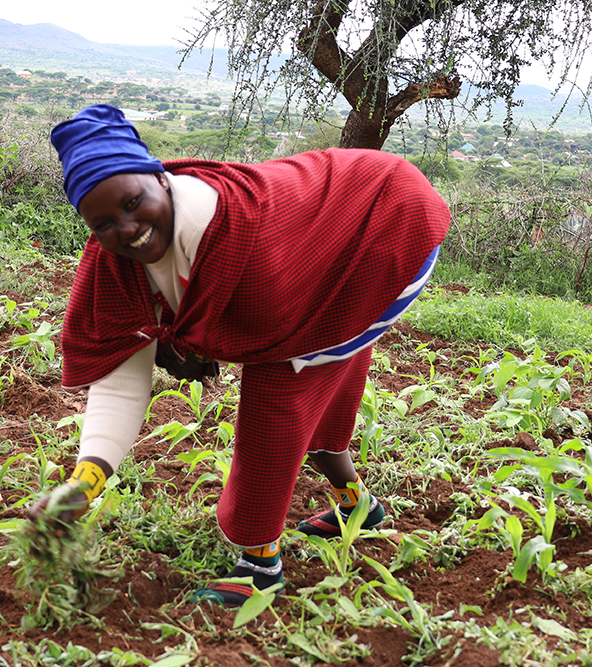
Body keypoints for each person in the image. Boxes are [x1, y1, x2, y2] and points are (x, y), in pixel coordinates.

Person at [29, 104, 450, 607]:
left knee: (280, 396)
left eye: (133, 202)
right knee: (323, 381)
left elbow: (264, 345)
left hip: (391, 224)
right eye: (103, 223)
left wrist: (184, 341)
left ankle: (259, 566)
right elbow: (121, 380)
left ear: (161, 178)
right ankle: (358, 505)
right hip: (348, 212)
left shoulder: (230, 233)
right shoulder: (114, 266)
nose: (127, 228)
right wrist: (85, 482)